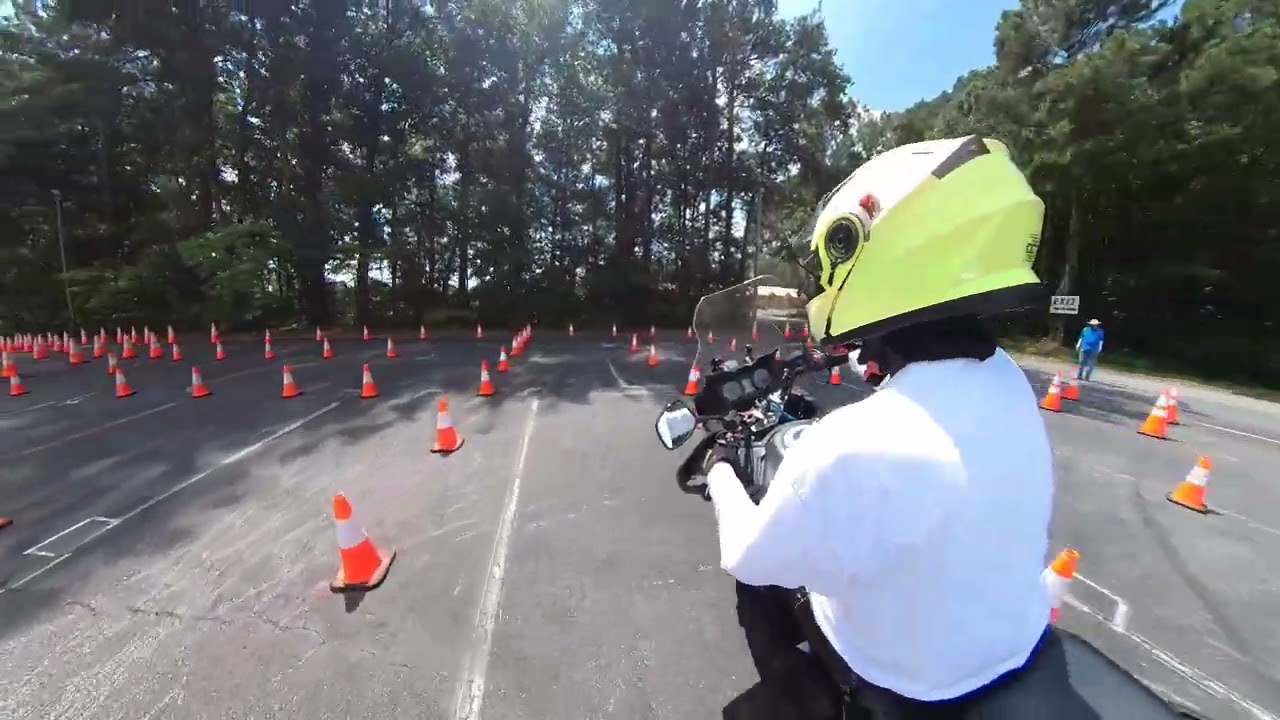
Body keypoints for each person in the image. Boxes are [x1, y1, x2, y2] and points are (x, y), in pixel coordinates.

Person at [691, 136, 1059, 716]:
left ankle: (810, 696)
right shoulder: (1008, 379)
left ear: (868, 252)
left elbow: (747, 552)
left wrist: (718, 469)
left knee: (760, 584)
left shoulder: (855, 444)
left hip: (908, 683)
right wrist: (876, 358)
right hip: (1011, 644)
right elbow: (931, 387)